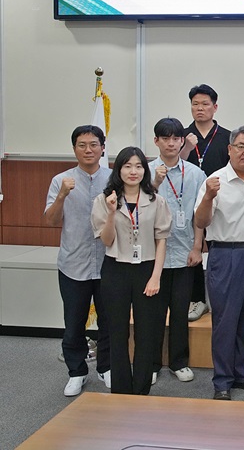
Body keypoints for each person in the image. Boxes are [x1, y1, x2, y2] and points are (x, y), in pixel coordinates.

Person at [194, 126, 244, 401]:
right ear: (229, 149)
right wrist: (208, 197)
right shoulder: (214, 181)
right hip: (226, 255)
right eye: (241, 146)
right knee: (225, 321)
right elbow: (200, 222)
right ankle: (222, 381)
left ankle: (241, 374)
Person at [91, 146, 172, 395]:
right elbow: (106, 241)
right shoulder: (104, 200)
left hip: (147, 269)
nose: (133, 171)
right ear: (119, 170)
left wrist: (156, 276)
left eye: (138, 166)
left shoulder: (156, 200)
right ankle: (121, 391)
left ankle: (141, 390)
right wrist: (111, 213)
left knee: (146, 332)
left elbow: (161, 241)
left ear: (145, 170)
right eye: (127, 166)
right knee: (117, 332)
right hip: (116, 269)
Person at [44, 125, 112, 397]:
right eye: (82, 145)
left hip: (109, 264)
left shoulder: (114, 178)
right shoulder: (61, 180)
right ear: (74, 149)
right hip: (74, 264)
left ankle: (106, 367)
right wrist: (62, 195)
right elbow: (51, 221)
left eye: (94, 144)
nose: (88, 150)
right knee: (73, 324)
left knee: (110, 321)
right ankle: (77, 372)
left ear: (102, 148)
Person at [150, 118, 206, 384]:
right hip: (153, 257)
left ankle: (179, 362)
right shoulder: (145, 171)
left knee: (180, 311)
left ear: (183, 141)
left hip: (185, 253)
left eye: (176, 138)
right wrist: (155, 183)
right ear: (156, 141)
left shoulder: (195, 174)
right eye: (165, 138)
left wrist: (197, 247)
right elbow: (137, 208)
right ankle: (150, 363)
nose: (171, 143)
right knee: (153, 313)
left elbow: (199, 214)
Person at [181, 84, 232, 322]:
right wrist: (186, 147)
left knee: (219, 251)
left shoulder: (227, 137)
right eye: (195, 104)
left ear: (215, 107)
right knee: (192, 251)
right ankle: (197, 300)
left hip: (220, 201)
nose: (199, 108)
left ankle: (221, 300)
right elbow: (173, 163)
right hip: (187, 202)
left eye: (205, 104)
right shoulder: (182, 136)